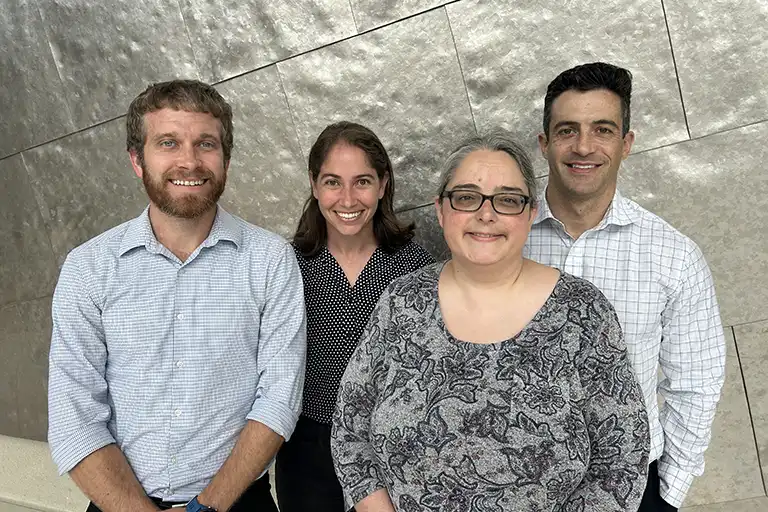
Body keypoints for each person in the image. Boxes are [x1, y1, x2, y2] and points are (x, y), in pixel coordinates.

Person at [331, 132, 650, 512]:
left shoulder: (582, 312)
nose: (486, 214)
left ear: (530, 214)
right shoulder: (402, 301)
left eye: (508, 200)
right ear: (441, 209)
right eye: (467, 197)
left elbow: (621, 462)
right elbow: (350, 430)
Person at [47, 79, 307, 512]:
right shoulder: (88, 268)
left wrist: (205, 507)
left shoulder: (270, 259)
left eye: (206, 144)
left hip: (237, 502)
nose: (189, 161)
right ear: (137, 160)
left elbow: (279, 400)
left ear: (226, 159)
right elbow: (74, 417)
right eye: (168, 142)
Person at [525, 62, 726, 510]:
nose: (583, 146)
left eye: (603, 130)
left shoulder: (674, 256)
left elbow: (696, 382)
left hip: (632, 486)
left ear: (626, 144)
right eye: (567, 130)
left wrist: (667, 495)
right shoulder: (501, 238)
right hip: (518, 480)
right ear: (544, 143)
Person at [275, 121, 434, 512]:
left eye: (362, 181)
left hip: (396, 445)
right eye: (333, 182)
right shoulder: (288, 266)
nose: (347, 199)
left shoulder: (416, 268)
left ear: (382, 185)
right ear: (314, 185)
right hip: (309, 449)